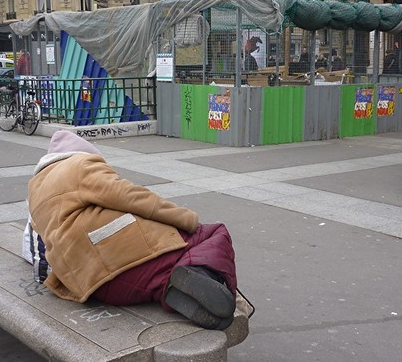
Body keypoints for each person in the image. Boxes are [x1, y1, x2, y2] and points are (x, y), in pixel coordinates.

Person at [24, 130, 252, 330]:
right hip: (116, 254)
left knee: (160, 278)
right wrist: (185, 218)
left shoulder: (35, 187)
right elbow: (129, 196)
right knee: (211, 233)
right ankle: (219, 291)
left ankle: (175, 290)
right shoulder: (79, 166)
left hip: (91, 284)